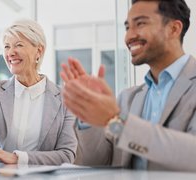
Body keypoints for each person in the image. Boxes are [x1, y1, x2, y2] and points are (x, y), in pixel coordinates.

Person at [61, 0, 196, 171]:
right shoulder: (127, 98)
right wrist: (89, 117)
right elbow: (96, 162)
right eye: (127, 27)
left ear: (173, 29)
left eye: (140, 23)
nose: (129, 37)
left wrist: (116, 121)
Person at [0, 19, 77, 165]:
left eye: (18, 45)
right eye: (7, 46)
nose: (10, 53)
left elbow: (66, 155)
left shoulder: (64, 99)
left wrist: (17, 159)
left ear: (39, 51)